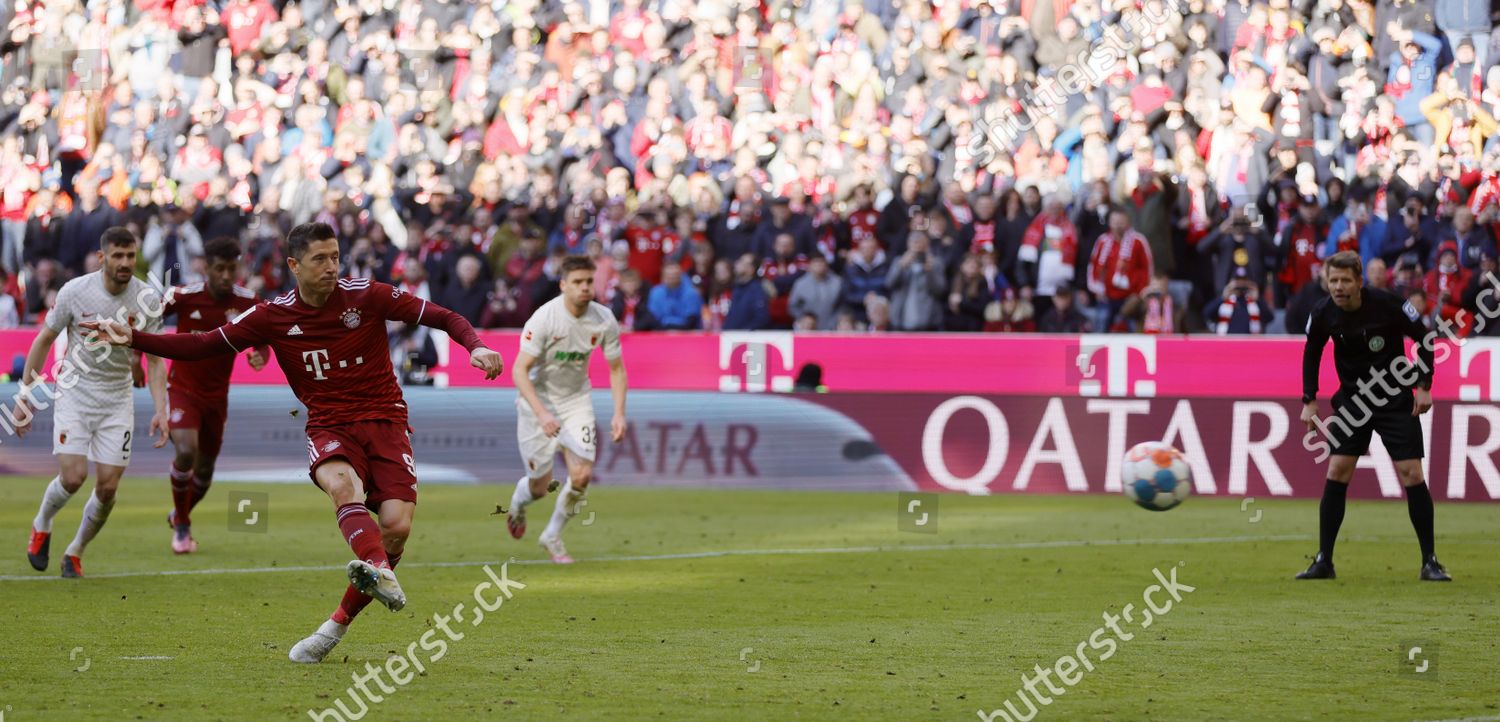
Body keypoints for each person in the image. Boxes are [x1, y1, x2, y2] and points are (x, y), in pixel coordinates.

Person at [85, 222, 505, 662]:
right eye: (320, 259)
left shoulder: (367, 295)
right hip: (329, 425)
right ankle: (379, 570)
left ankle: (333, 629)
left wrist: (473, 346)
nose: (331, 267)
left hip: (386, 421)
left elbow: (444, 316)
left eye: (335, 257)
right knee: (345, 490)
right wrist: (132, 337)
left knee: (397, 528)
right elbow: (204, 344)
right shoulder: (271, 314)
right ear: (293, 265)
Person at [20, 227, 171, 578]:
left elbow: (155, 359)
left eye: (130, 256)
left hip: (117, 398)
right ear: (102, 257)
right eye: (117, 256)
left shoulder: (146, 298)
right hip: (75, 393)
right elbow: (44, 339)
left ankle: (74, 552)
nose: (124, 263)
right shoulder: (75, 291)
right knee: (73, 478)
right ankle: (42, 522)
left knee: (107, 487)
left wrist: (162, 410)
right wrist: (25, 396)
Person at [1297, 251, 1449, 582]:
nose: (1337, 287)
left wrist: (1424, 384)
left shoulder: (1389, 305)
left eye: (1344, 280)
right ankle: (1324, 560)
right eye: (1332, 280)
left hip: (1394, 399)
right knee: (1337, 471)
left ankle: (1430, 561)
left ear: (1359, 281)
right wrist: (1309, 398)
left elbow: (1425, 339)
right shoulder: (1323, 312)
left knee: (1411, 474)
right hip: (1353, 402)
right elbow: (1311, 352)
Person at [504, 256, 627, 565]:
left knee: (582, 475)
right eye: (578, 282)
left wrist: (619, 412)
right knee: (539, 487)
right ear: (563, 285)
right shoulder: (545, 319)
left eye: (589, 281)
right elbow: (519, 371)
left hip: (576, 401)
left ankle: (552, 535)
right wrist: (543, 413)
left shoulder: (603, 319)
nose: (585, 287)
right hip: (538, 402)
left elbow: (617, 369)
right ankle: (518, 506)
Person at [159, 237, 269, 553]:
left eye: (230, 269)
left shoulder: (249, 301)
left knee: (205, 472)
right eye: (218, 269)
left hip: (217, 398)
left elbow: (268, 334)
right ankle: (182, 526)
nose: (224, 276)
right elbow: (146, 320)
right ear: (206, 268)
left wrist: (262, 352)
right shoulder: (182, 296)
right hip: (182, 390)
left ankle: (179, 513)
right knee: (186, 451)